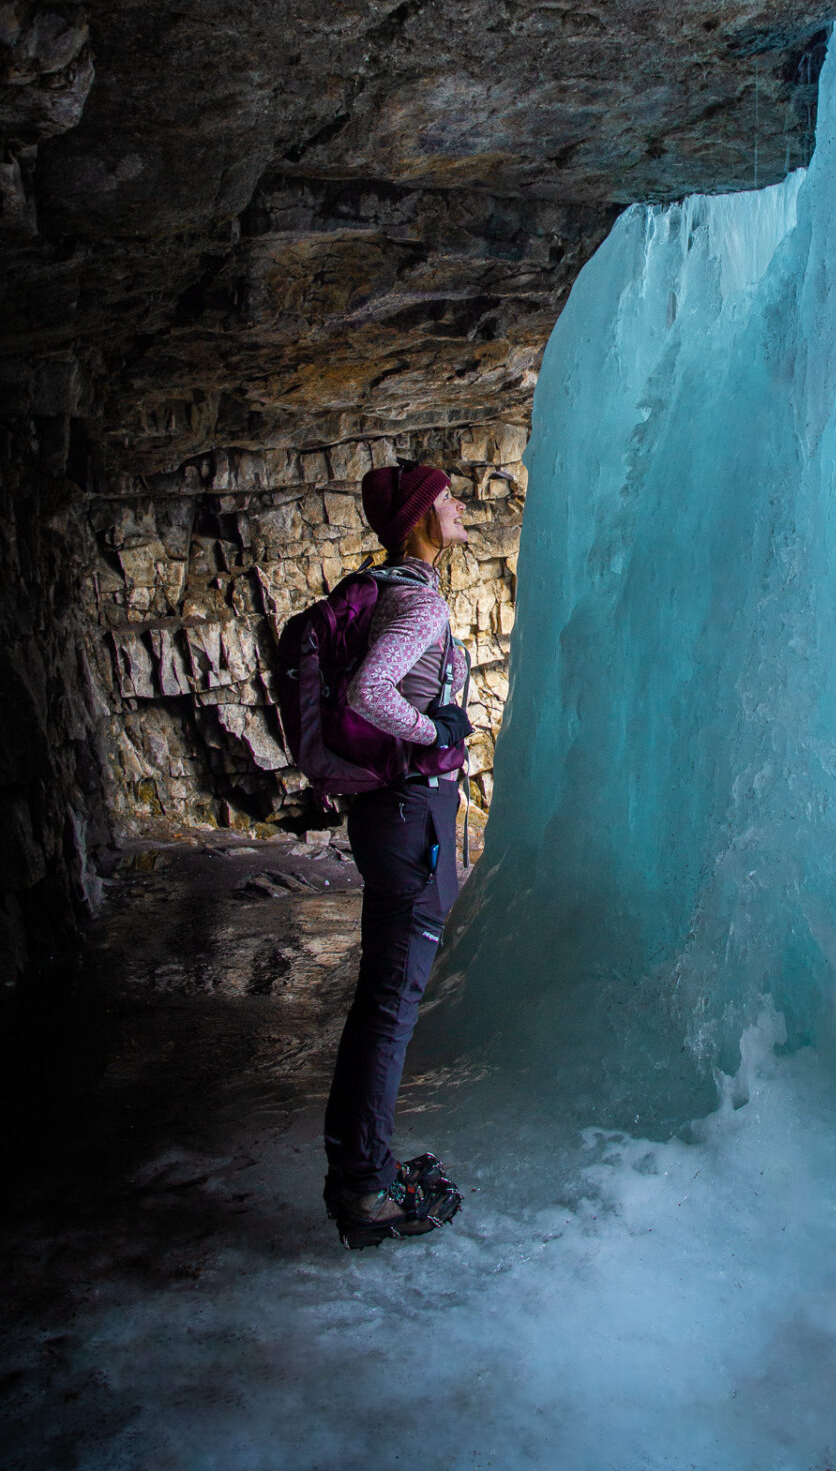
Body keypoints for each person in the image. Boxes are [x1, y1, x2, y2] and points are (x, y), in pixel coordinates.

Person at [322, 460, 473, 1244]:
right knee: (391, 1005)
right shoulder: (418, 603)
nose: (458, 507)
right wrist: (433, 732)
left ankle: (361, 1165)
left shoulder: (386, 590)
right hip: (410, 814)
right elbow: (368, 693)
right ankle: (368, 1188)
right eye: (446, 498)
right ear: (420, 516)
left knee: (381, 997)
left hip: (390, 815)